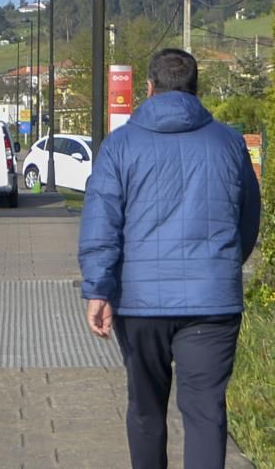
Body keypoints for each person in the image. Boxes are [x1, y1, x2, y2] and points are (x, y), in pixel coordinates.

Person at [78, 49, 260, 469]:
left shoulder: (119, 146)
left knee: (145, 410)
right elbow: (248, 217)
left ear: (148, 88)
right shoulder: (229, 142)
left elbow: (101, 221)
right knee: (205, 414)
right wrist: (224, 266)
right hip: (212, 304)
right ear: (196, 89)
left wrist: (98, 289)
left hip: (140, 304)